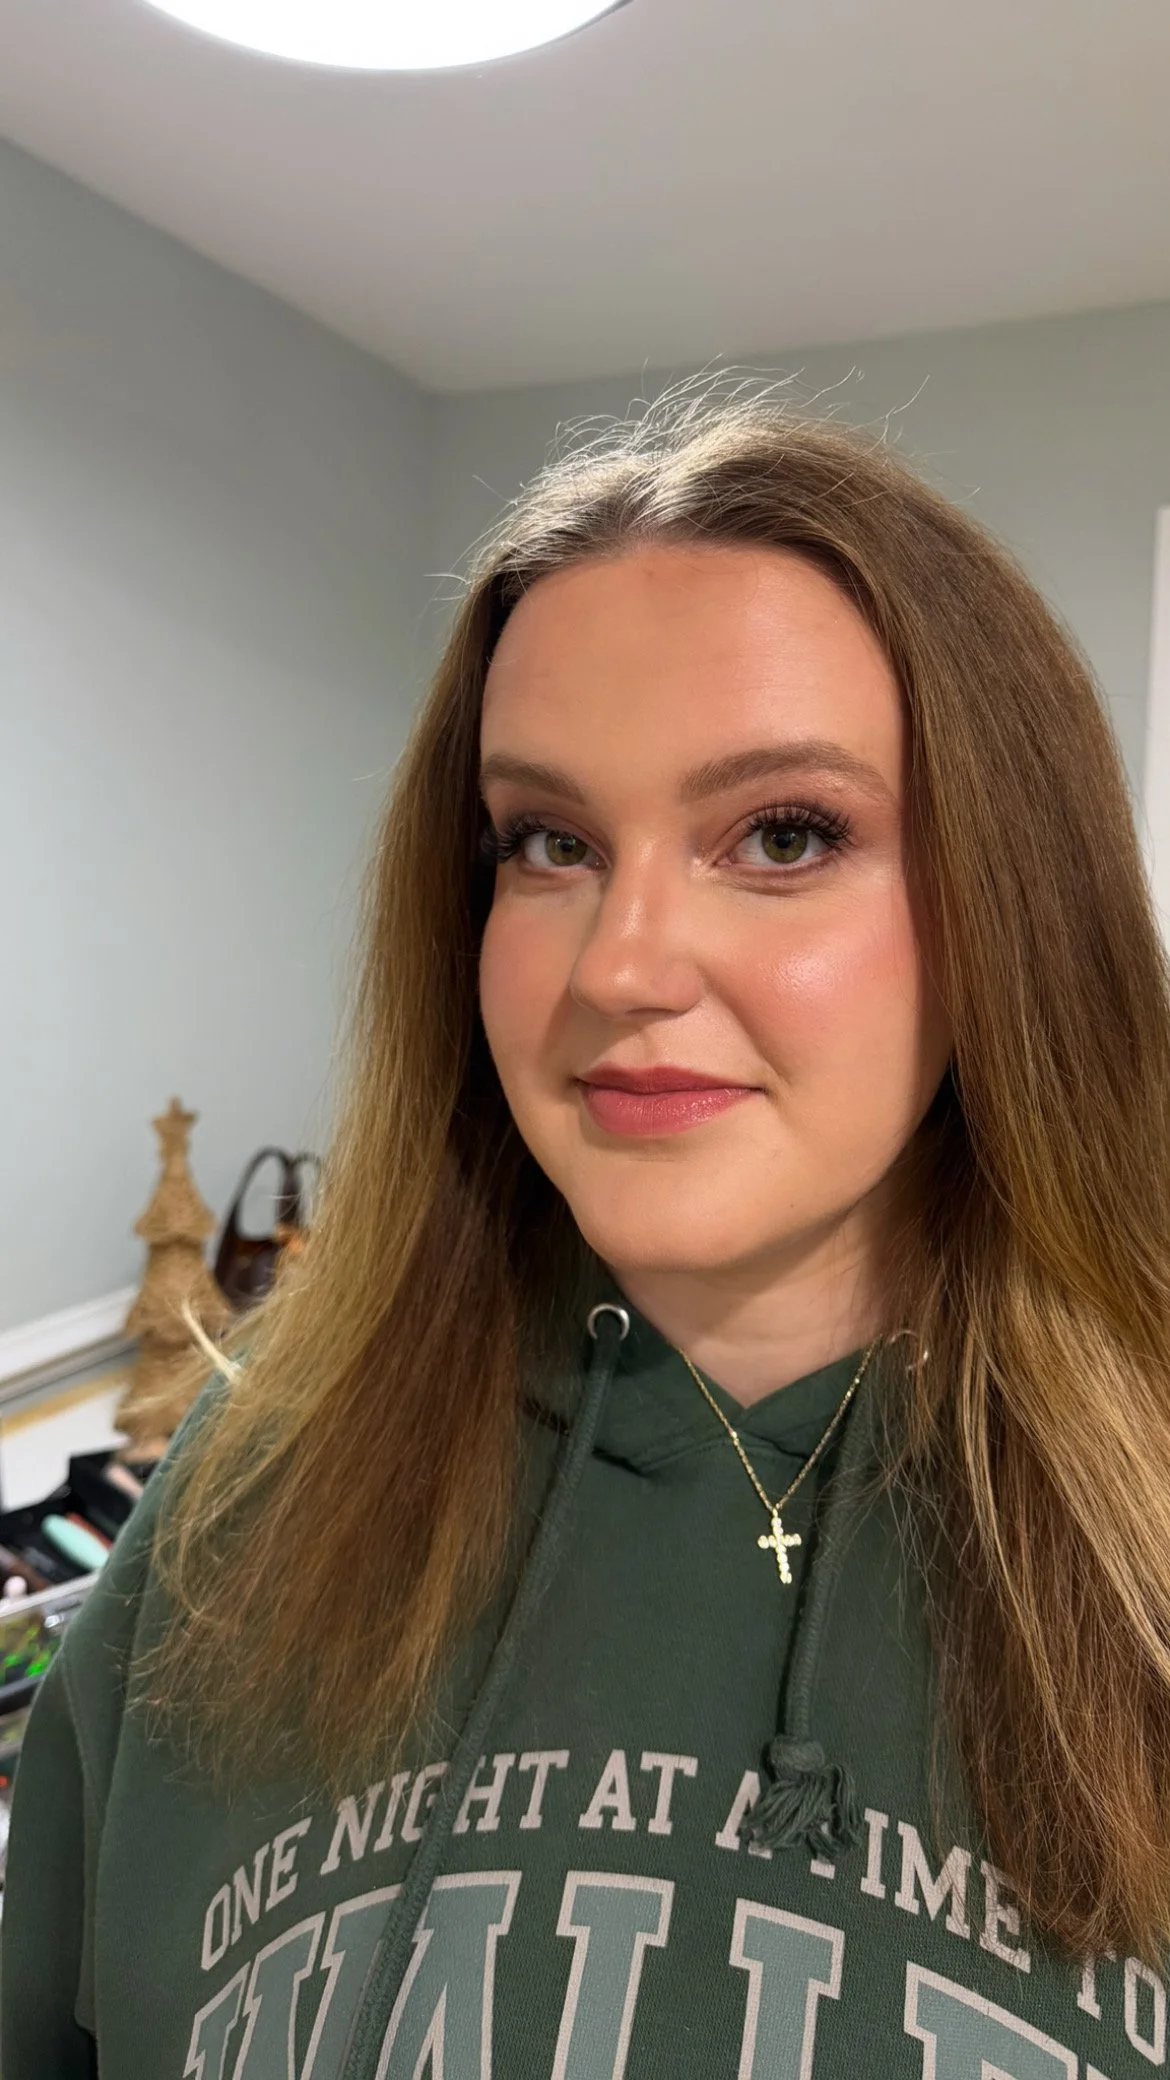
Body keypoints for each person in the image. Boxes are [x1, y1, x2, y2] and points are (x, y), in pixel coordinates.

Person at [5, 387, 1170, 2080]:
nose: (618, 965)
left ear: (1013, 907)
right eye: (546, 843)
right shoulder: (250, 1492)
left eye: (783, 835)